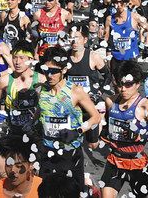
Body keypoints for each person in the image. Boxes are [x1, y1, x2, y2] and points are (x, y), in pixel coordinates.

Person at [37, 47, 101, 193]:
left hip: (70, 153)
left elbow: (95, 116)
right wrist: (32, 124)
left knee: (73, 193)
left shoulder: (76, 91)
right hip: (48, 152)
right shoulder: (41, 90)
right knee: (46, 192)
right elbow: (40, 111)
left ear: (64, 70)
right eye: (46, 70)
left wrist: (77, 130)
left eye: (54, 71)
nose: (49, 75)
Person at [100, 60, 148, 198]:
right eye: (120, 84)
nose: (123, 89)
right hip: (115, 160)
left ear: (137, 84)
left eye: (128, 85)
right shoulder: (110, 102)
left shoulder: (146, 107)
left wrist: (139, 137)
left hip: (137, 162)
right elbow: (105, 130)